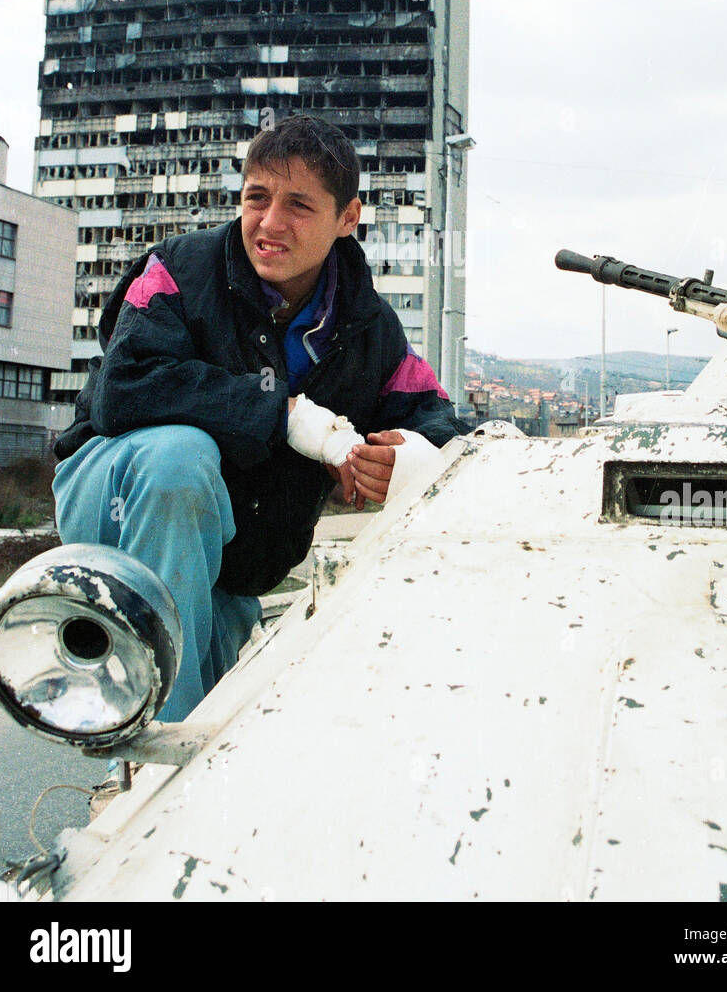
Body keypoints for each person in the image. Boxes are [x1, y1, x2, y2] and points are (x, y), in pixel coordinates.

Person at [53, 115, 468, 724]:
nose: (270, 224)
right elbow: (123, 387)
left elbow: (443, 424)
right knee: (179, 455)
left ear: (348, 219)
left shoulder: (370, 326)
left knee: (221, 725)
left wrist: (402, 459)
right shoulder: (177, 270)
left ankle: (163, 762)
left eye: (299, 205)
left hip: (236, 562)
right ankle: (160, 764)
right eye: (257, 197)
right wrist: (282, 414)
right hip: (111, 495)